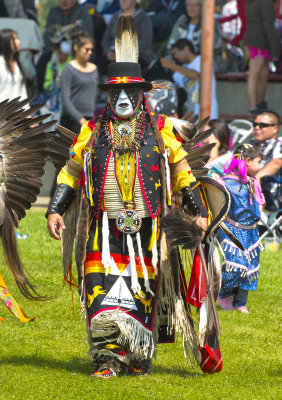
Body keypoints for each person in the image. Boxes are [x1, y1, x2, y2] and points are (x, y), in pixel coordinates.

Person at [45, 14, 230, 378]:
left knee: (140, 291)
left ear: (143, 94)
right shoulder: (92, 132)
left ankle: (136, 358)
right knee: (101, 292)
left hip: (147, 232)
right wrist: (55, 210)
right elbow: (70, 172)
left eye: (131, 92)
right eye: (117, 92)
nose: (125, 98)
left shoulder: (161, 132)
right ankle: (107, 359)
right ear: (109, 95)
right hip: (104, 227)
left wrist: (199, 212)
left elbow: (183, 174)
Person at [218, 144, 265, 314]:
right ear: (248, 161)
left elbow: (258, 205)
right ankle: (222, 293)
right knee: (237, 266)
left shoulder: (252, 183)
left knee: (250, 268)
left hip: (251, 232)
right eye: (258, 162)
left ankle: (240, 303)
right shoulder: (226, 184)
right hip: (233, 230)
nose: (260, 166)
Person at [36, 0, 93, 92]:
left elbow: (86, 37)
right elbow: (48, 35)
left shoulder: (83, 12)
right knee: (42, 62)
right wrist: (55, 49)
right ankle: (44, 94)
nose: (64, 1)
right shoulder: (53, 12)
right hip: (56, 49)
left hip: (76, 50)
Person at [160, 38, 218, 118]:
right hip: (192, 114)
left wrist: (171, 65)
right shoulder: (182, 69)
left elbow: (196, 75)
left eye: (176, 53)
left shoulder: (202, 60)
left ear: (186, 49)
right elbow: (174, 86)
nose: (176, 57)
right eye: (173, 55)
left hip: (208, 113)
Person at [244, 0, 281, 114]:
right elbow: (269, 26)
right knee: (255, 73)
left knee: (262, 73)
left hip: (255, 40)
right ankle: (253, 106)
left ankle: (259, 103)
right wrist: (276, 51)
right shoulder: (265, 3)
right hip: (259, 41)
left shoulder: (252, 2)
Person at [59, 28, 98, 133]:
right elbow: (65, 100)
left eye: (91, 49)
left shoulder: (94, 69)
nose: (89, 52)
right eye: (86, 49)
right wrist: (80, 119)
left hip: (89, 118)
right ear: (76, 47)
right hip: (71, 120)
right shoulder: (68, 69)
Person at [101, 0, 153, 73]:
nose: (123, 1)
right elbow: (106, 39)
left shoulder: (144, 18)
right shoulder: (115, 16)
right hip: (113, 54)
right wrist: (107, 52)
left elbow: (145, 42)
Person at [251, 110, 282, 212]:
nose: (257, 127)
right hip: (247, 191)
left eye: (262, 125)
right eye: (255, 124)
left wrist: (258, 176)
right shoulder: (251, 143)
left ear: (275, 128)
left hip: (270, 197)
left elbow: (277, 162)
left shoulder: (279, 143)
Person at [0, 29, 28, 106]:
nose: (18, 42)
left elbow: (22, 92)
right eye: (14, 39)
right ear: (5, 42)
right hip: (2, 112)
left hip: (16, 114)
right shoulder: (1, 64)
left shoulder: (17, 64)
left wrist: (27, 111)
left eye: (18, 38)